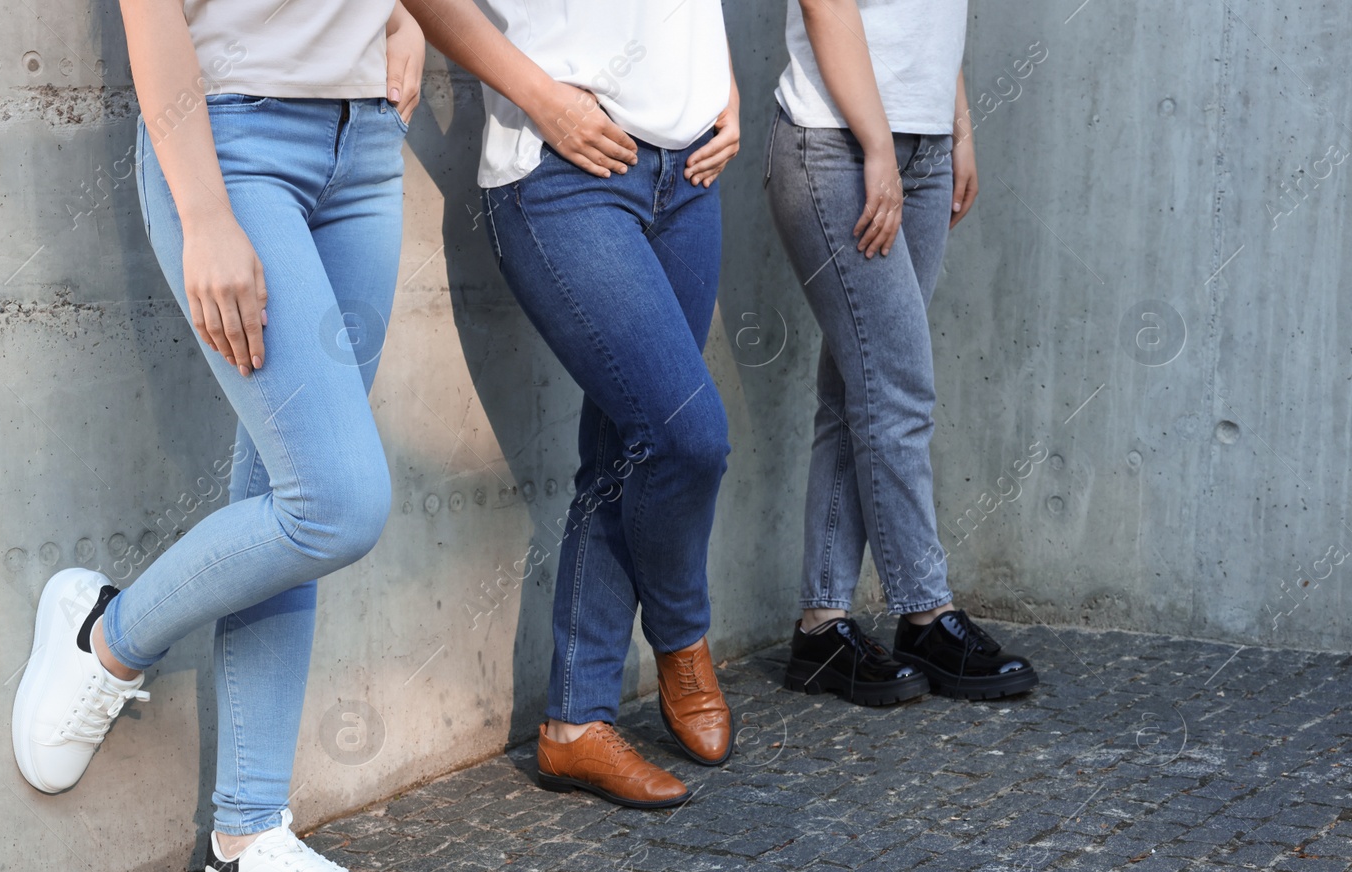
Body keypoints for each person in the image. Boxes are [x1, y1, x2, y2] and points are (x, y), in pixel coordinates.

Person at [10, 0, 426, 872]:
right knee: (337, 503)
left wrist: (402, 17)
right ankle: (107, 638)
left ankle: (246, 844)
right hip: (235, 139)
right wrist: (203, 208)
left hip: (363, 140)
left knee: (286, 494)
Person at [407, 0, 741, 807]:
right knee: (689, 438)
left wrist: (723, 84)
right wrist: (545, 100)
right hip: (562, 169)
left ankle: (574, 724)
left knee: (628, 448)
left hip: (691, 167)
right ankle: (682, 632)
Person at [767, 0, 1039, 705]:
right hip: (839, 146)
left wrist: (958, 125)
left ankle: (822, 628)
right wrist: (879, 145)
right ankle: (925, 613)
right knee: (897, 390)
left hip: (923, 148)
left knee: (854, 391)